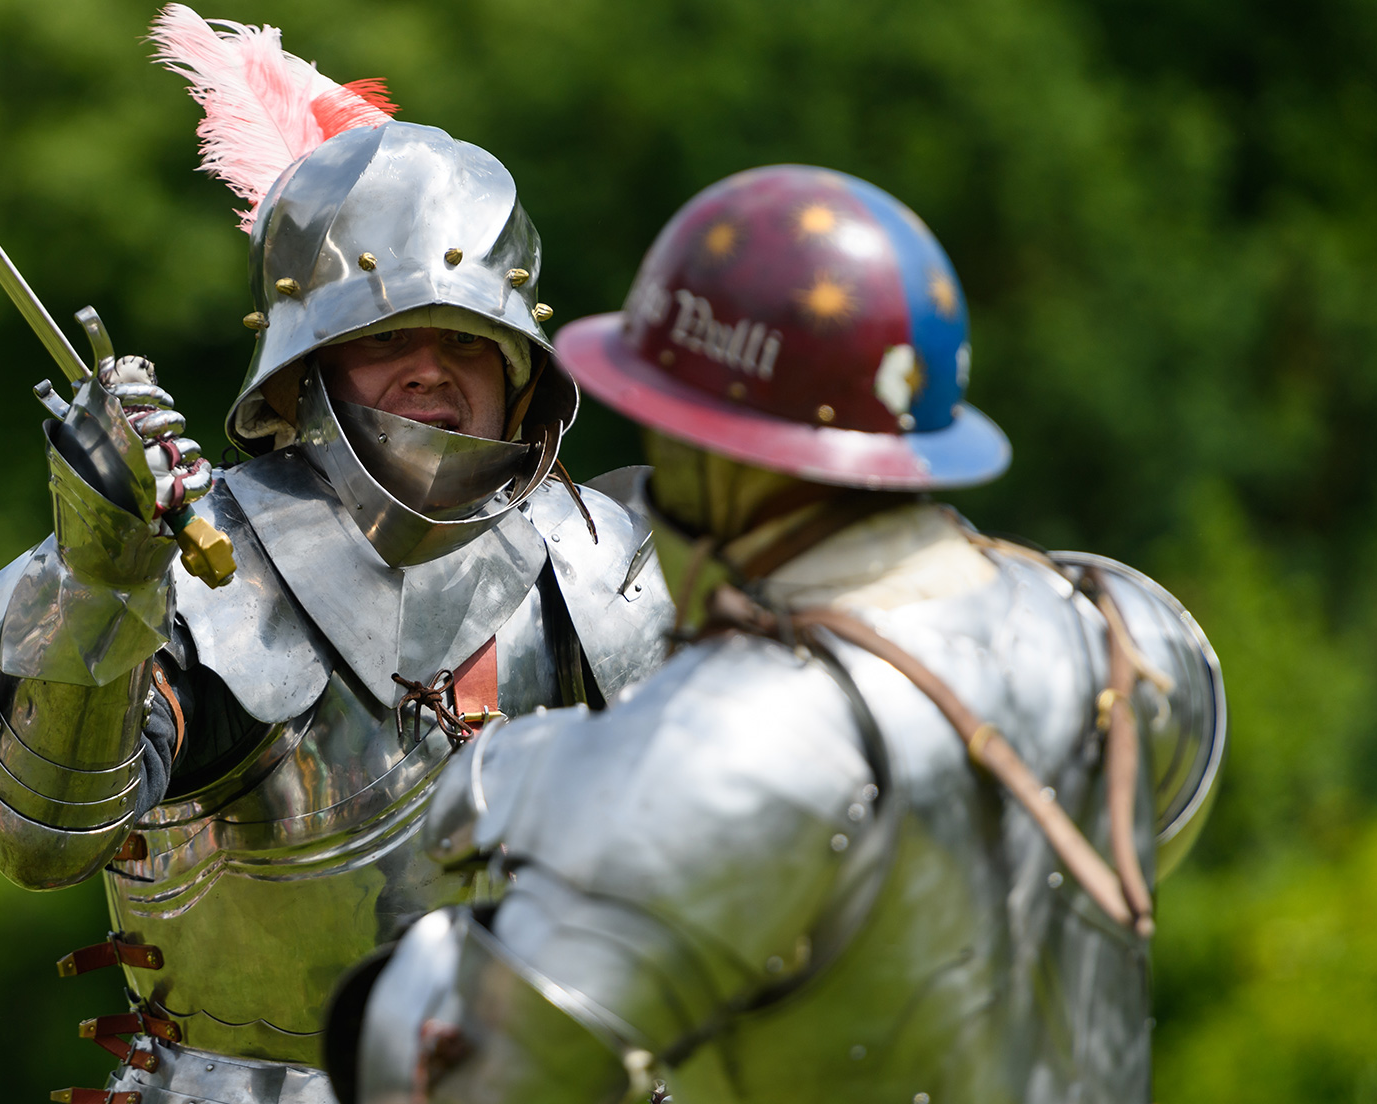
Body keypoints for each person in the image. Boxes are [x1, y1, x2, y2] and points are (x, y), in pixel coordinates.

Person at [331, 166, 1226, 1104]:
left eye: (670, 430)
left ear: (718, 455)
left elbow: (454, 1080)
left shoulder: (730, 733)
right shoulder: (1120, 627)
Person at [0, 8, 673, 1104]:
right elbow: (38, 836)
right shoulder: (204, 574)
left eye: (464, 338)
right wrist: (101, 574)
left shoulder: (605, 564)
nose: (429, 371)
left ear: (522, 368)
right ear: (306, 373)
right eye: (385, 338)